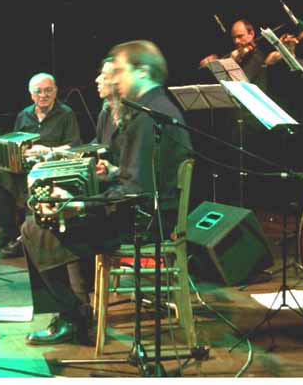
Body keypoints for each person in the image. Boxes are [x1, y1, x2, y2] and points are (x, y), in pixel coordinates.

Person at [20, 40, 193, 345]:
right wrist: (88, 194)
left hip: (142, 222)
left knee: (37, 227)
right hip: (141, 211)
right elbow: (134, 178)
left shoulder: (149, 116)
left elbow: (136, 191)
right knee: (42, 220)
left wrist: (78, 205)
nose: (113, 79)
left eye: (120, 71)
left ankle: (74, 316)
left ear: (142, 72)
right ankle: (75, 312)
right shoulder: (152, 108)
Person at [0, 72, 83, 258]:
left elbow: (74, 145)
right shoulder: (24, 115)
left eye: (48, 90)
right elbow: (15, 142)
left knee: (34, 181)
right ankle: (6, 231)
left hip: (52, 165)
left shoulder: (66, 113)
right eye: (38, 91)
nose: (43, 95)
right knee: (2, 175)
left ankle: (26, 238)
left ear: (55, 91)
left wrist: (47, 151)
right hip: (26, 164)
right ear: (31, 94)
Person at [200, 19, 269, 94]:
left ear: (251, 34)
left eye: (240, 36)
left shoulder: (258, 56)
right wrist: (213, 64)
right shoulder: (239, 55)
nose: (236, 41)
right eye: (234, 38)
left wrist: (231, 62)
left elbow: (239, 85)